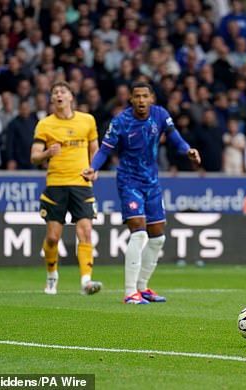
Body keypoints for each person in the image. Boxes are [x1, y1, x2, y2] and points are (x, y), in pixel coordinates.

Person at [81, 82, 201, 305]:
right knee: (138, 232)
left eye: (145, 96)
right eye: (137, 96)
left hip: (152, 183)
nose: (141, 100)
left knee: (158, 236)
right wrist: (93, 167)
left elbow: (175, 138)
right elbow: (105, 149)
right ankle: (129, 293)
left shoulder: (160, 114)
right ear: (131, 99)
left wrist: (188, 150)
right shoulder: (121, 122)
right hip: (129, 181)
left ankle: (142, 287)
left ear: (152, 98)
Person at [30, 81, 102, 296]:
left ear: (71, 96)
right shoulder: (45, 125)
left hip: (81, 184)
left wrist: (94, 169)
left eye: (63, 91)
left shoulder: (87, 120)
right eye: (55, 92)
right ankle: (52, 275)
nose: (59, 95)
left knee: (86, 231)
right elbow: (34, 157)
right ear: (52, 100)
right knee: (53, 237)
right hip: (56, 185)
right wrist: (46, 154)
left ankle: (86, 281)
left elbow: (94, 148)